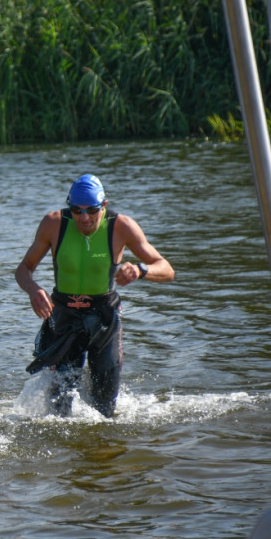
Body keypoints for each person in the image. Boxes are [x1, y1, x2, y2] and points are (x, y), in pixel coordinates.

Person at [15, 174, 174, 417]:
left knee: (105, 410)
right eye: (77, 211)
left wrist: (141, 271)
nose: (84, 217)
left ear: (104, 205)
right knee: (58, 411)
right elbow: (23, 269)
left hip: (104, 319)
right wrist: (33, 289)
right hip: (65, 317)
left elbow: (166, 269)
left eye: (92, 210)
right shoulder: (53, 224)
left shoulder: (121, 227)